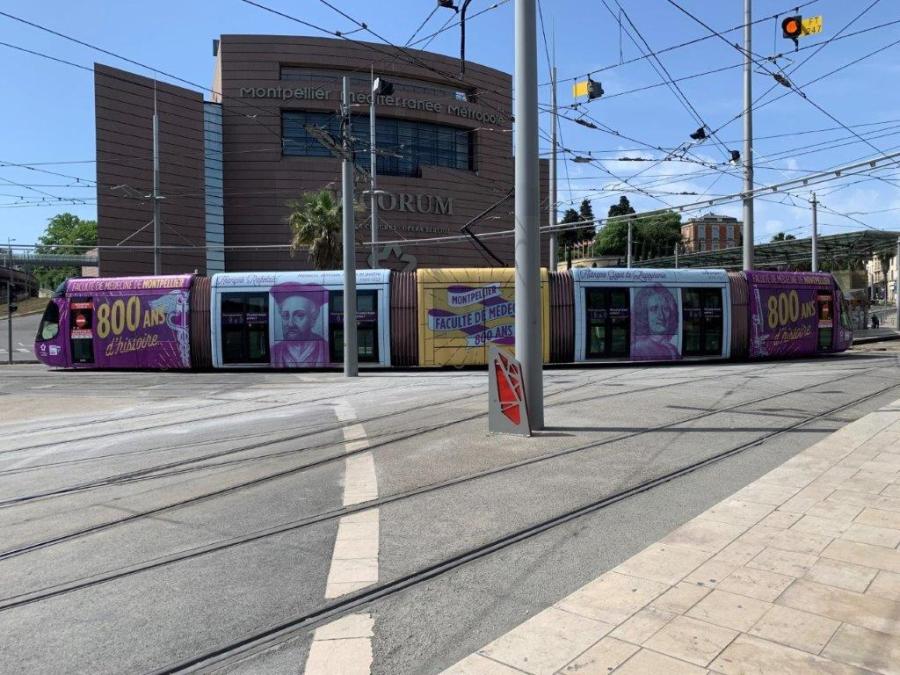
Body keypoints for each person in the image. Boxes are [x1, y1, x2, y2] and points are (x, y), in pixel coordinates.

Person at [271, 282, 329, 367]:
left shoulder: (326, 349)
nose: (290, 324)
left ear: (313, 318)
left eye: (299, 315)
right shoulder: (274, 350)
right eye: (285, 315)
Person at [632, 285, 680, 360]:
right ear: (645, 315)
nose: (661, 316)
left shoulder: (673, 348)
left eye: (665, 309)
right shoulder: (638, 349)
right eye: (654, 309)